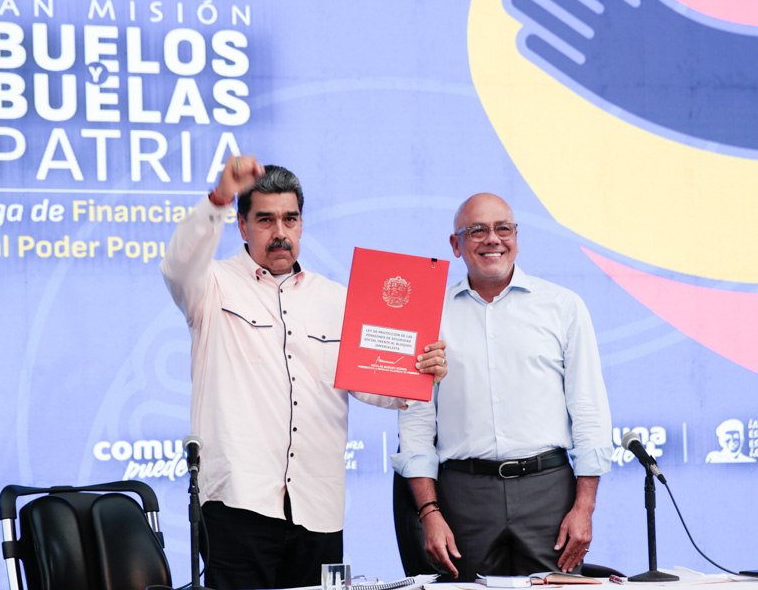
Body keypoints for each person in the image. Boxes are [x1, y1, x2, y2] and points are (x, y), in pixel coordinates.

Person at [160, 156, 447, 589]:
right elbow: (177, 263)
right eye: (265, 220)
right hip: (240, 502)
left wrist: (420, 371)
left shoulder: (336, 299)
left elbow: (374, 384)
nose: (280, 233)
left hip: (318, 504)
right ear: (241, 225)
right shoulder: (211, 286)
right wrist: (219, 197)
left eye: (290, 219)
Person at [393, 192, 612, 582]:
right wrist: (429, 513)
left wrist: (584, 508)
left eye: (503, 228)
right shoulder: (429, 312)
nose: (492, 239)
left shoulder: (563, 307)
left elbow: (589, 411)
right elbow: (416, 424)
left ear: (516, 236)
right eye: (476, 230)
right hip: (463, 496)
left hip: (548, 495)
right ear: (455, 244)